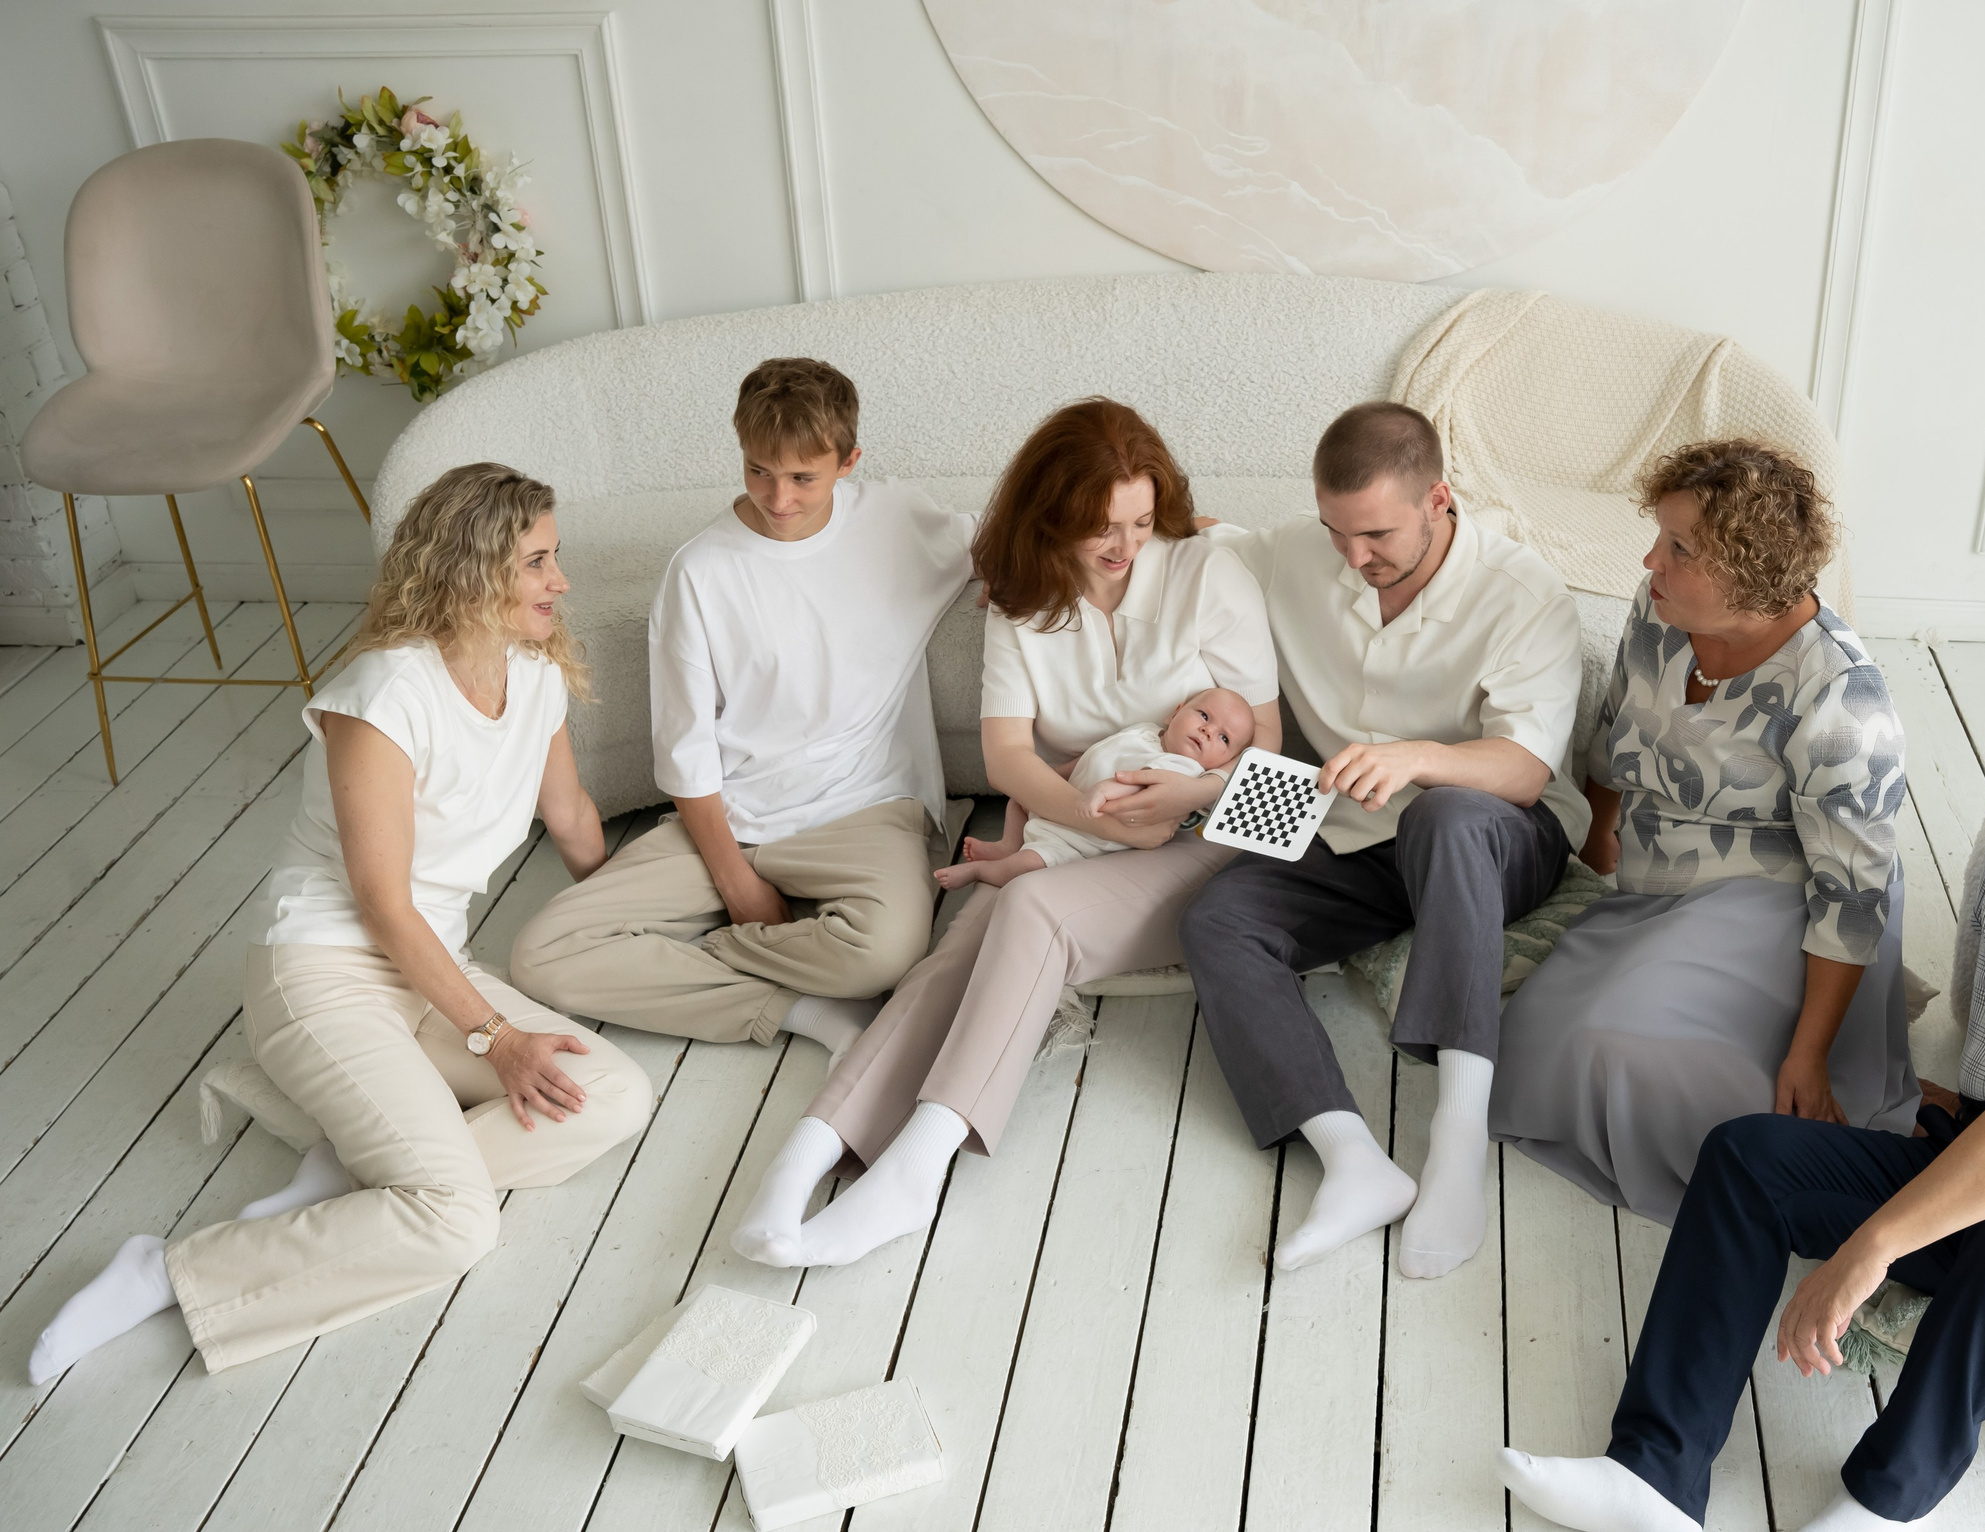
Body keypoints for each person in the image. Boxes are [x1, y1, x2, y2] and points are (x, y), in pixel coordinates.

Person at [1497, 662, 1985, 1532]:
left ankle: (1889, 1500)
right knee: (1749, 1153)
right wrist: (1935, 1106)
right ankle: (1656, 1469)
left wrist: (1872, 1246)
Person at [28, 464, 654, 1385]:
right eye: (536, 562)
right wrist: (498, 1037)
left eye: (553, 558)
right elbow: (382, 904)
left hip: (432, 969)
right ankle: (166, 1270)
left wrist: (632, 924)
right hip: (322, 972)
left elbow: (572, 821)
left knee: (613, 1094)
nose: (559, 581)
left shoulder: (537, 677)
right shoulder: (384, 693)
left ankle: (355, 1173)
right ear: (474, 570)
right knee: (457, 1221)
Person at [728, 398, 1280, 1270]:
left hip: (1205, 835)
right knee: (957, 948)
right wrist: (1096, 814)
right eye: (1101, 527)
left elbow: (1269, 743)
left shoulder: (1209, 573)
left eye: (1140, 522)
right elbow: (1010, 759)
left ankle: (918, 1163)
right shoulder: (1022, 600)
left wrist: (1183, 798)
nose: (1125, 546)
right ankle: (812, 1144)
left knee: (1028, 905)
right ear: (1051, 513)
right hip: (1081, 826)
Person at [1180, 402, 1584, 1280]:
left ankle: (1457, 1130)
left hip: (1495, 834)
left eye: (1374, 534)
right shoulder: (1299, 552)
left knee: (1443, 812)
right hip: (1351, 834)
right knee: (1218, 920)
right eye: (1335, 530)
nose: (1353, 558)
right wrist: (1037, 570)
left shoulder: (1523, 593)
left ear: (1438, 498)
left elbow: (1522, 770)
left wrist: (1418, 759)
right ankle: (1352, 1158)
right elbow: (1196, 539)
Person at [1494, 440, 1919, 1225]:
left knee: (1616, 1044)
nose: (1652, 558)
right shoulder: (1661, 612)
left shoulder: (1842, 699)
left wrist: (1810, 1053)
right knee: (1528, 1041)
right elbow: (1614, 735)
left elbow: (1851, 894)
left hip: (1784, 901)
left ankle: (1796, 1176)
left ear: (1748, 577)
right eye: (1660, 536)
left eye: (1679, 548)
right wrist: (1595, 861)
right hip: (1658, 886)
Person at [508, 358, 973, 1057]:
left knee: (883, 953)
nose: (777, 498)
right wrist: (737, 882)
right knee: (541, 955)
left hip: (866, 809)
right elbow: (688, 749)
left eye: (802, 478)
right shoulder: (699, 571)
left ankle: (700, 956)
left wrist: (1173, 538)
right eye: (758, 471)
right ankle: (794, 1008)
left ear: (849, 461)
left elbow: (1018, 538)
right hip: (735, 820)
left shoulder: (897, 517)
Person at [936, 685, 1257, 890]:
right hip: (1068, 798)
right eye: (1204, 715)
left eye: (1224, 738)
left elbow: (1138, 786)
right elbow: (1096, 754)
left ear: (1223, 761)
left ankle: (982, 873)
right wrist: (1057, 774)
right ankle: (1008, 843)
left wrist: (1104, 791)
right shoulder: (1146, 732)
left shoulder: (1183, 769)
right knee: (1017, 801)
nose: (1207, 730)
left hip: (1081, 837)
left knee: (1028, 865)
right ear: (1176, 712)